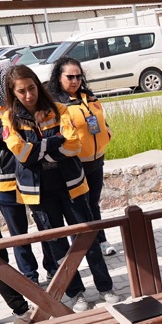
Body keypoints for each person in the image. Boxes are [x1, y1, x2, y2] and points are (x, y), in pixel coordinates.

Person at [1, 65, 119, 312]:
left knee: (86, 238)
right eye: (21, 91)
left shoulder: (59, 109)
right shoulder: (9, 118)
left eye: (32, 88)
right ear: (13, 93)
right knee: (57, 246)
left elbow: (74, 145)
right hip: (39, 193)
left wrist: (38, 151)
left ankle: (105, 287)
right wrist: (54, 142)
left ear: (38, 85)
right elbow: (21, 153)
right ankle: (76, 293)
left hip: (71, 186)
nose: (29, 95)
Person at [48, 57, 116, 256]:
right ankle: (82, 247)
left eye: (78, 76)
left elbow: (100, 120)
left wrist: (107, 133)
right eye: (70, 77)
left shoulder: (89, 97)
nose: (75, 81)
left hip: (96, 160)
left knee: (93, 203)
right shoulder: (54, 103)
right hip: (73, 164)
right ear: (58, 77)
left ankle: (100, 240)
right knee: (78, 208)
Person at [0, 62, 58, 287]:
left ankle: (53, 270)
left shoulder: (23, 110)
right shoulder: (8, 116)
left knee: (45, 227)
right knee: (19, 235)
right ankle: (30, 279)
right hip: (5, 182)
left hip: (34, 176)